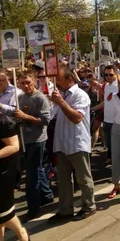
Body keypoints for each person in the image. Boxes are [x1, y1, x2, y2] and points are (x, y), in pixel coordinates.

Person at [0, 71, 53, 222]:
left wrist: (25, 117)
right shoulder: (21, 97)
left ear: (34, 81)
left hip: (37, 140)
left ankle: (33, 208)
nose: (26, 86)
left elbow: (45, 120)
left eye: (28, 82)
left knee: (32, 175)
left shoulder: (40, 98)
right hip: (25, 140)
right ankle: (46, 195)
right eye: (22, 83)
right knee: (36, 170)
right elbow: (16, 113)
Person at [48, 68, 96, 223]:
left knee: (83, 178)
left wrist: (61, 102)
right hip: (62, 143)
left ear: (69, 79)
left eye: (59, 79)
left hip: (76, 143)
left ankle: (89, 206)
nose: (56, 82)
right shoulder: (61, 94)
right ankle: (65, 210)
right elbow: (52, 115)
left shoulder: (80, 95)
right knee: (63, 180)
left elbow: (76, 118)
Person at [0, 115, 30, 241]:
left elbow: (14, 146)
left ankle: (22, 234)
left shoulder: (3, 122)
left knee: (4, 213)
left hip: (4, 174)